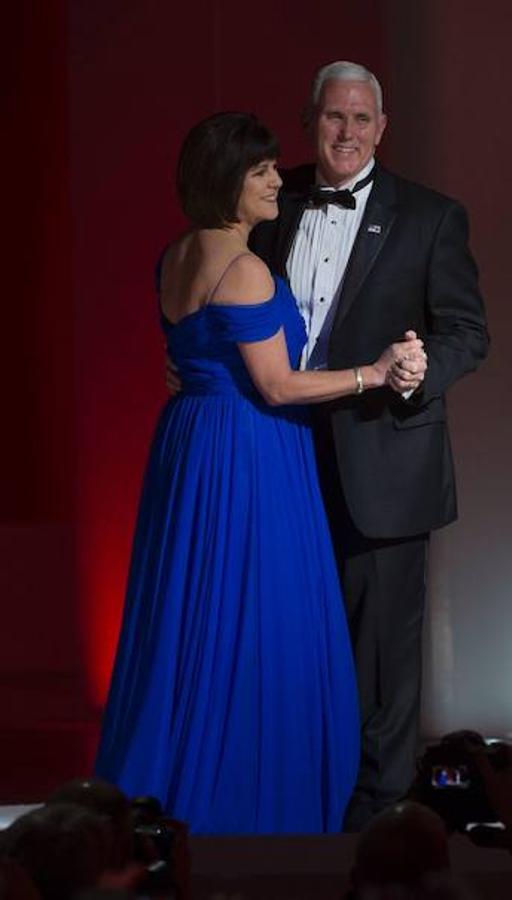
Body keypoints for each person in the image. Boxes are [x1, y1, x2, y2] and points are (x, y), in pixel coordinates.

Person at [97, 112, 424, 833]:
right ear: (226, 182)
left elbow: (194, 352)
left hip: (191, 443)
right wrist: (371, 374)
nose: (280, 180)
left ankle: (173, 782)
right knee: (253, 617)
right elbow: (276, 386)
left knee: (190, 615)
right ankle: (244, 799)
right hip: (246, 455)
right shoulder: (244, 268)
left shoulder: (175, 255)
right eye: (262, 172)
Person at [247, 61, 491, 831]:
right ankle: (298, 792)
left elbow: (468, 332)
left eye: (361, 120)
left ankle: (380, 816)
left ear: (381, 129)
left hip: (383, 451)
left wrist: (420, 372)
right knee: (285, 630)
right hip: (277, 447)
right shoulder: (268, 198)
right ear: (309, 120)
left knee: (381, 650)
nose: (346, 133)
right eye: (332, 117)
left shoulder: (430, 216)